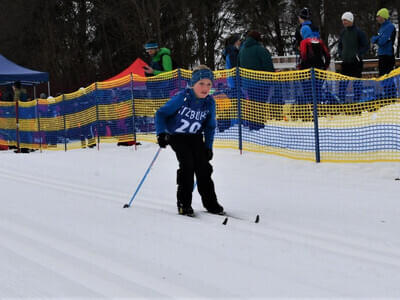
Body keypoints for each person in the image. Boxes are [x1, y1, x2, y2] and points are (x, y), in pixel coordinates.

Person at [155, 65, 224, 217]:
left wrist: (208, 147)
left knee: (203, 167)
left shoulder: (209, 102)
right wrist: (161, 133)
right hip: (177, 136)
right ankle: (184, 204)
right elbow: (161, 114)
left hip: (195, 137)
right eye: (201, 84)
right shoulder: (183, 97)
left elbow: (210, 126)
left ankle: (210, 203)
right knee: (187, 165)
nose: (205, 88)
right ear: (193, 84)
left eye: (208, 84)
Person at [338, 12, 369, 78]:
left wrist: (357, 54)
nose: (343, 22)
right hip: (345, 62)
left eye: (345, 20)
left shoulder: (359, 32)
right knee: (342, 85)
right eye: (342, 20)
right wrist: (341, 54)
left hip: (356, 63)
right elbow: (340, 45)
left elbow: (366, 45)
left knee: (357, 85)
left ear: (350, 20)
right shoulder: (343, 32)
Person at [371, 8, 396, 76]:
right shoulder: (382, 27)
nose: (377, 19)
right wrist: (377, 38)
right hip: (381, 55)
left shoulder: (389, 27)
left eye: (378, 17)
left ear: (383, 17)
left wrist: (376, 39)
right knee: (382, 78)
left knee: (387, 79)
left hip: (387, 55)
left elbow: (382, 41)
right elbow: (374, 39)